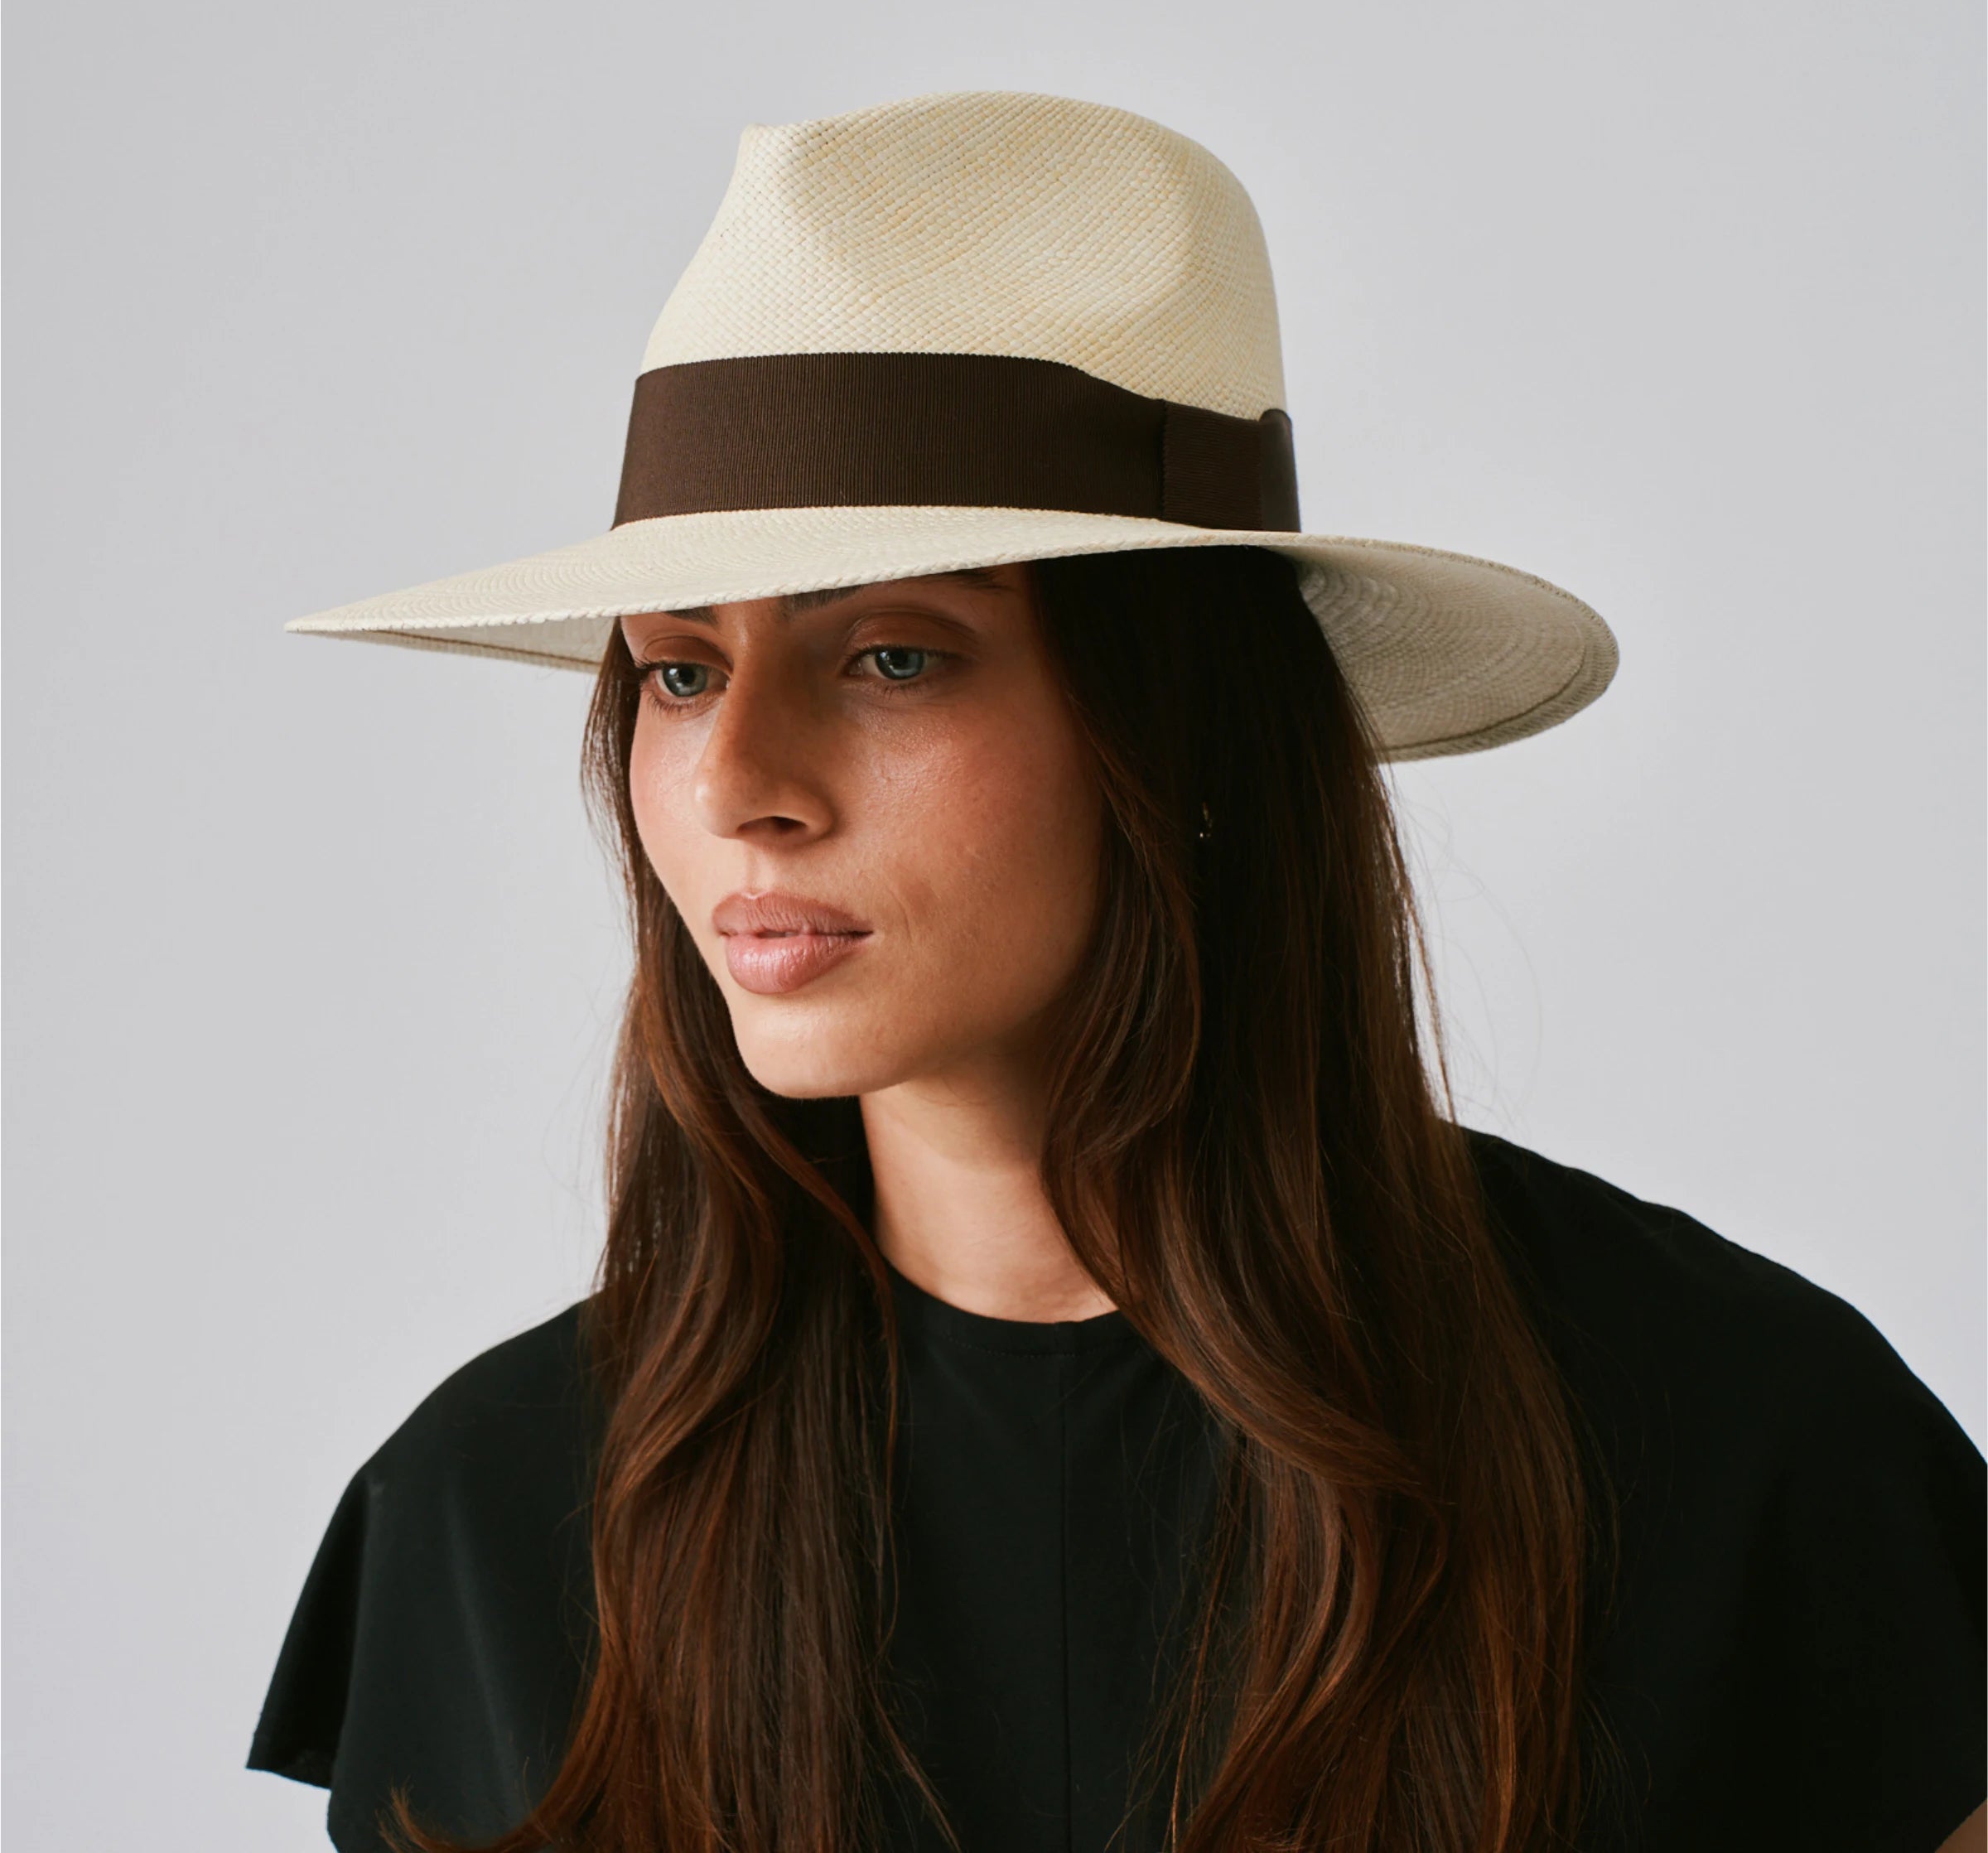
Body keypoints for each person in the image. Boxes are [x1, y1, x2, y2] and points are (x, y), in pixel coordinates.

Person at [248, 90, 1986, 1853]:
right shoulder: (499, 1511)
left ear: (1189, 733)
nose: (735, 786)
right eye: (678, 675)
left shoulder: (1734, 1444)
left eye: (895, 655)